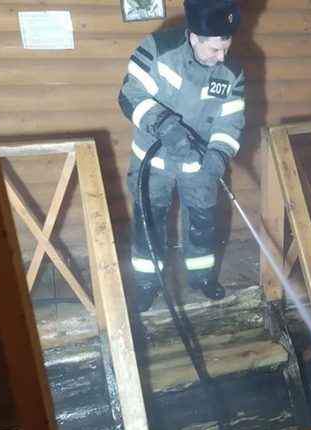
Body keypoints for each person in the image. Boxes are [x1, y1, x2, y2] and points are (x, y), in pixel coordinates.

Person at [118, 0, 245, 312]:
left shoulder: (232, 71)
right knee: (149, 222)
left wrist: (219, 154)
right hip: (153, 160)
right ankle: (147, 284)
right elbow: (129, 95)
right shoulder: (158, 49)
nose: (222, 57)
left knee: (203, 222)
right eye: (215, 49)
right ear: (194, 37)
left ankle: (201, 277)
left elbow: (231, 120)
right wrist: (164, 125)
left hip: (199, 163)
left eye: (226, 47)